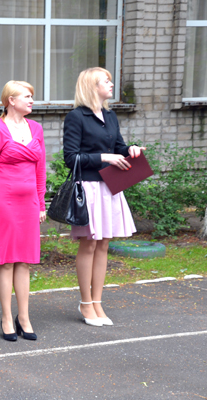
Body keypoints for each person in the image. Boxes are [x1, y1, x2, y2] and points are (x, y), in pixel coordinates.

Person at [63, 67, 145, 327]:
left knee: (104, 244)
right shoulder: (76, 117)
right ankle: (85, 303)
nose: (111, 84)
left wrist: (130, 149)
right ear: (92, 86)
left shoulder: (110, 115)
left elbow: (118, 146)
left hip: (110, 186)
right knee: (89, 244)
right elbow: (71, 158)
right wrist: (105, 157)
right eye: (106, 81)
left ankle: (97, 302)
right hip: (88, 187)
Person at [0, 81, 46, 342]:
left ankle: (24, 317)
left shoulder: (36, 128)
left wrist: (41, 204)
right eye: (27, 96)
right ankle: (7, 317)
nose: (31, 100)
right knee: (6, 261)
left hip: (29, 203)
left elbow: (41, 169)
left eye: (32, 96)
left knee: (24, 261)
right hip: (4, 202)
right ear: (11, 101)